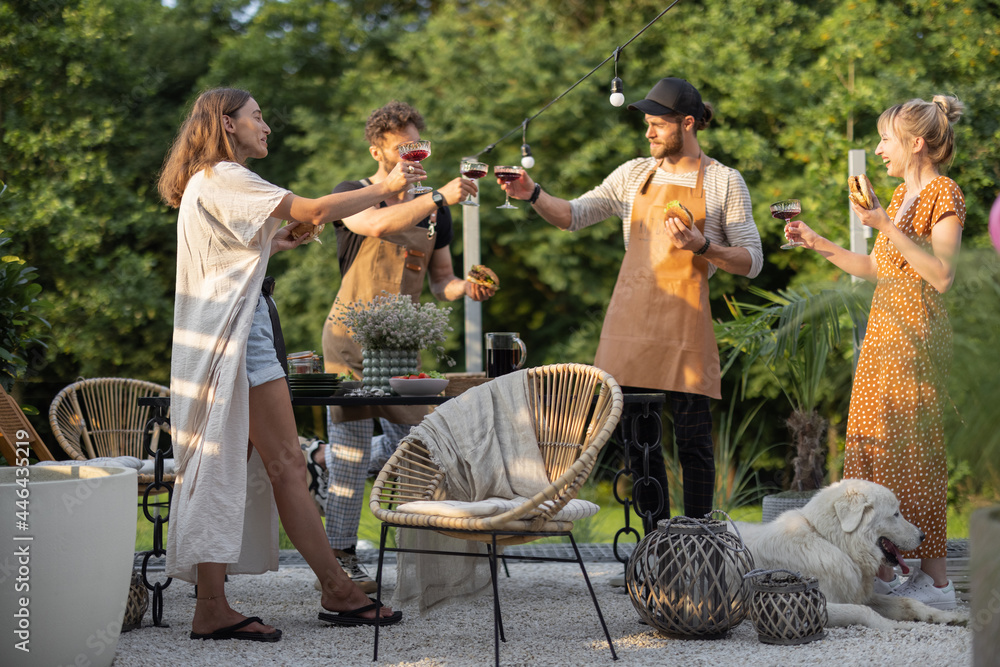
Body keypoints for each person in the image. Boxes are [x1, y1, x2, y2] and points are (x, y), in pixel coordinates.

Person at [157, 87, 423, 640]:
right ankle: (338, 591)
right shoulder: (226, 175)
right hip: (239, 332)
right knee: (286, 464)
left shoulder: (207, 182)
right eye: (257, 117)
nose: (266, 127)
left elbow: (224, 255)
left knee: (220, 461)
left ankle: (213, 605)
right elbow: (319, 208)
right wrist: (386, 186)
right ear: (226, 124)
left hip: (218, 331)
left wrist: (274, 243)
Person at [498, 77, 763, 533]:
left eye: (658, 124)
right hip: (630, 325)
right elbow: (575, 215)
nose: (649, 133)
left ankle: (699, 543)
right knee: (639, 444)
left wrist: (704, 247)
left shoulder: (722, 181)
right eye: (647, 124)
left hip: (685, 328)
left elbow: (752, 261)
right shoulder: (635, 174)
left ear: (687, 123)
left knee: (694, 444)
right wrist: (533, 194)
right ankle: (653, 545)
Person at [305, 101, 496, 592]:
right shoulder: (353, 195)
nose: (411, 157)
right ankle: (342, 558)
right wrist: (437, 196)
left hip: (402, 349)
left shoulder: (438, 214)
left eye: (417, 146)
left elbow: (442, 282)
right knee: (351, 451)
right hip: (349, 341)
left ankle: (319, 463)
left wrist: (466, 290)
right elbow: (376, 226)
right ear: (377, 150)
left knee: (419, 447)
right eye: (400, 149)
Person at [785, 95, 966, 610]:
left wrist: (885, 224)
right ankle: (891, 567)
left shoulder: (943, 193)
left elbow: (942, 275)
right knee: (876, 451)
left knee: (914, 454)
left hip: (916, 341)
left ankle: (936, 583)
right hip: (882, 337)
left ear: (915, 143)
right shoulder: (896, 197)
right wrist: (817, 242)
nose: (879, 149)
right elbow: (877, 270)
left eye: (885, 139)